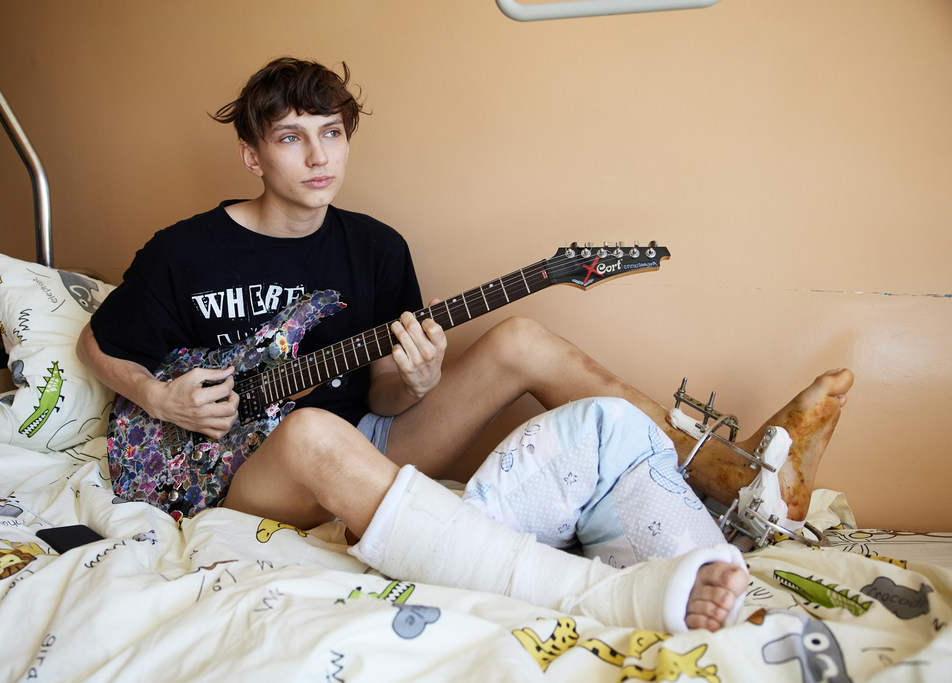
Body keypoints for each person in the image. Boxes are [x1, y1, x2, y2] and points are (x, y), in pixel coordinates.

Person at [78, 57, 854, 633]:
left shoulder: (376, 248)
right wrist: (156, 394)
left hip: (367, 435)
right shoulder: (186, 252)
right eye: (291, 138)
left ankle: (734, 469)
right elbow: (94, 341)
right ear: (253, 155)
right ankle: (599, 594)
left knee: (517, 335)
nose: (320, 157)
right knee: (312, 431)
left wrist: (412, 383)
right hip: (242, 467)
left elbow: (382, 395)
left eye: (332, 134)